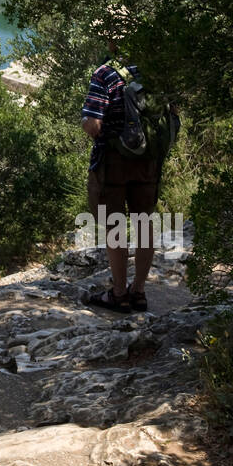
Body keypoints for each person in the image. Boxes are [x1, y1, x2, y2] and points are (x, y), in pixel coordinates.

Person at [81, 29, 158, 313]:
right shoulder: (151, 70)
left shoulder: (105, 74)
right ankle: (139, 291)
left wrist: (85, 122)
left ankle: (118, 293)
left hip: (114, 163)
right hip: (148, 160)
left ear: (112, 40)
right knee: (144, 222)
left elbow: (94, 126)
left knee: (114, 226)